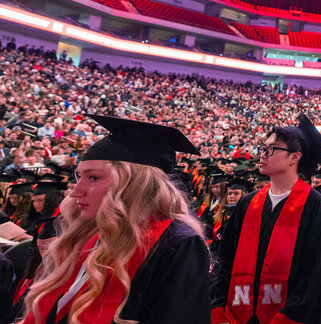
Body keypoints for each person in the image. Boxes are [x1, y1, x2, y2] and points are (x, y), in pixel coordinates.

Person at [20, 115, 210, 323]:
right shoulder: (96, 233)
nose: (76, 192)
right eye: (79, 177)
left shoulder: (177, 243)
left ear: (134, 184)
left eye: (93, 177)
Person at [211, 114, 321, 324]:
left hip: (289, 317)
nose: (263, 154)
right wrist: (218, 307)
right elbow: (225, 259)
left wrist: (290, 316)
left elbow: (315, 271)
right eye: (263, 148)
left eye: (272, 149)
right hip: (236, 315)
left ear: (295, 157)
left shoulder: (315, 205)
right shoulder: (248, 203)